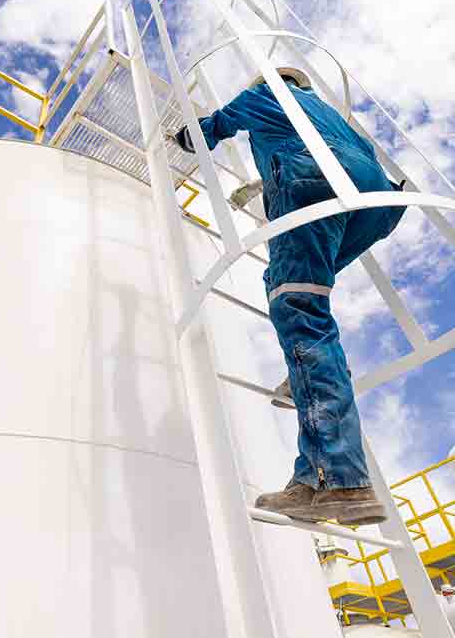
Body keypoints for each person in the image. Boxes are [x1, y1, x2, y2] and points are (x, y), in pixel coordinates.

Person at [172, 67, 405, 526]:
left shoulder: (264, 97)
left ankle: (339, 482)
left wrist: (181, 136)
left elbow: (212, 128)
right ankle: (305, 409)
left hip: (311, 184)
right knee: (294, 291)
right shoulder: (325, 113)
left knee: (298, 308)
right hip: (376, 202)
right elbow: (346, 157)